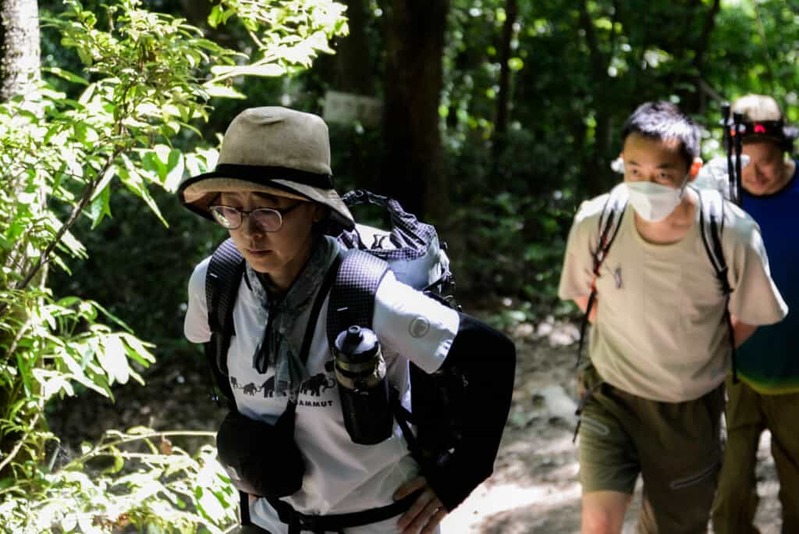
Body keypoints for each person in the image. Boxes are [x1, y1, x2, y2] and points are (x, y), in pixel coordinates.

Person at [177, 106, 515, 533]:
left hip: (378, 523)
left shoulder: (367, 294)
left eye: (269, 210)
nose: (249, 231)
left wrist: (460, 475)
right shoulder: (215, 282)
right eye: (231, 210)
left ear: (316, 210)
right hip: (271, 523)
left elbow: (492, 355)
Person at [557, 101, 788, 533]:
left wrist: (697, 352)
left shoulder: (731, 234)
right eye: (633, 171)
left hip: (689, 411)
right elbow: (585, 295)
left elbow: (751, 314)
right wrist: (633, 335)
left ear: (693, 171)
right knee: (598, 526)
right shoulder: (597, 222)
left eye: (663, 174)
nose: (646, 185)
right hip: (610, 395)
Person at [711, 94, 799, 533]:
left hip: (795, 379)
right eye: (744, 162)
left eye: (764, 162)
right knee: (728, 498)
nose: (754, 174)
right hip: (735, 374)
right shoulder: (718, 196)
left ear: (784, 150)